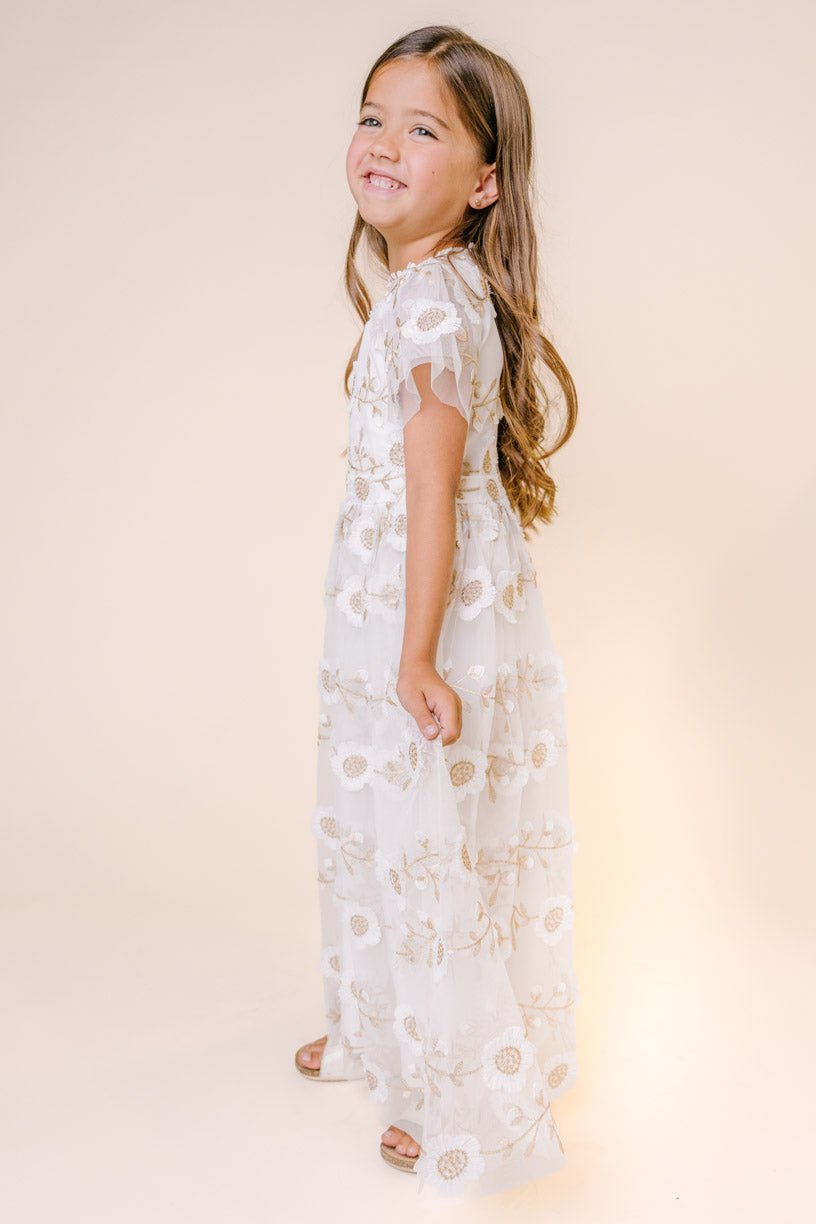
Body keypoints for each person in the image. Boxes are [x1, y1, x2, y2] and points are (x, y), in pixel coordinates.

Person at [294, 25, 579, 1204]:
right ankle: (379, 1028)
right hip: (437, 591)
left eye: (425, 128)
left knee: (415, 828)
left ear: (484, 180)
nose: (385, 144)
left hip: (421, 602)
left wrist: (413, 652)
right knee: (410, 820)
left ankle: (444, 1088)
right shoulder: (442, 289)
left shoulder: (423, 310)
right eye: (374, 117)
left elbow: (428, 492)